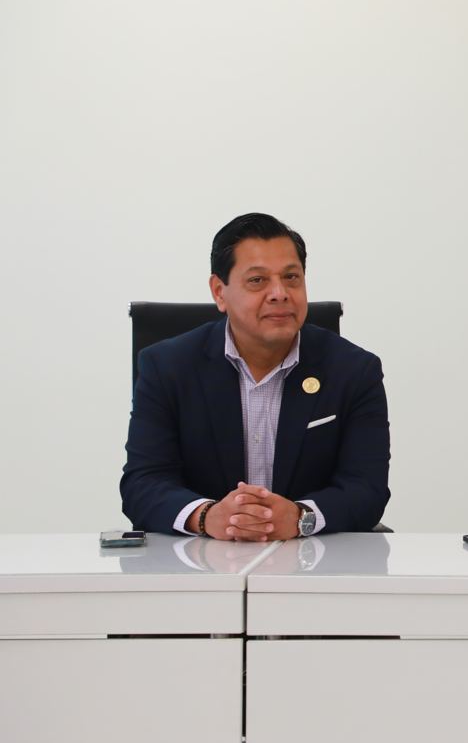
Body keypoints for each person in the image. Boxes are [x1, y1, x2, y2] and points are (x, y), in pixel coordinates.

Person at [121, 213, 390, 539]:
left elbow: (367, 489)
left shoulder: (354, 370)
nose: (280, 293)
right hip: (198, 559)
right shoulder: (166, 367)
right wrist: (207, 516)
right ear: (219, 292)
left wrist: (300, 517)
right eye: (258, 280)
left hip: (314, 559)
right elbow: (142, 484)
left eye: (291, 277)